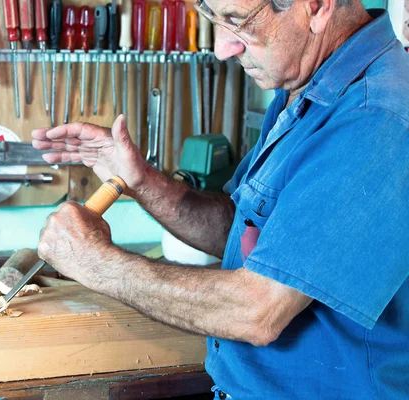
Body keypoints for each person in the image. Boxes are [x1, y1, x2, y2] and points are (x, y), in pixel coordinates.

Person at [32, 0, 409, 397]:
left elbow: (258, 310)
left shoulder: (375, 117)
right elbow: (244, 233)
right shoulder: (305, 84)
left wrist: (95, 262)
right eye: (212, 17)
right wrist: (138, 179)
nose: (221, 47)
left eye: (237, 21)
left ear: (316, 8)